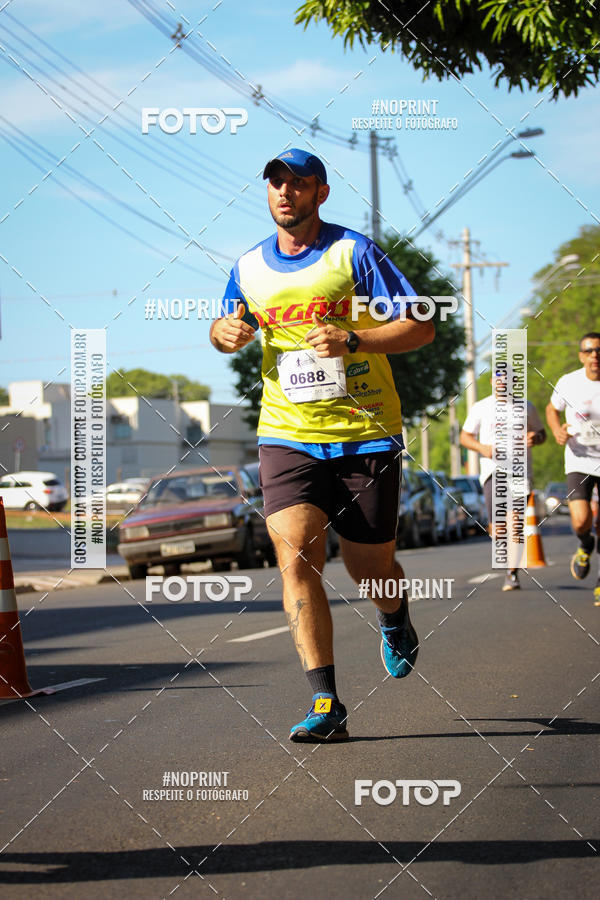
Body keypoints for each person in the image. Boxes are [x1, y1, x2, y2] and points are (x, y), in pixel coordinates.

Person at [210, 148, 434, 742]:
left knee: (370, 567)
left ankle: (394, 615)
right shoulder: (249, 267)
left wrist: (355, 338)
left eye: (298, 183)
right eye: (275, 183)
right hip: (288, 433)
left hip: (364, 432)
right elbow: (226, 324)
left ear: (321, 193)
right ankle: (326, 702)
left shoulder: (354, 253)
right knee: (296, 556)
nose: (285, 192)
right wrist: (222, 332)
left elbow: (422, 323)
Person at [460, 375, 546, 591]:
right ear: (492, 381)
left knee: (515, 525)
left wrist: (535, 437)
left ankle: (512, 573)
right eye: (499, 378)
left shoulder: (526, 407)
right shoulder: (481, 407)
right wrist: (483, 449)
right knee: (499, 529)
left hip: (520, 472)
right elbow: (465, 437)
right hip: (493, 471)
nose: (502, 382)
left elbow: (542, 433)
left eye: (508, 379)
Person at [546, 332, 600, 603]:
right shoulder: (569, 382)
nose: (595, 355)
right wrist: (557, 431)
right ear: (581, 356)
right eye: (589, 351)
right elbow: (551, 409)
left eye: (598, 350)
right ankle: (585, 544)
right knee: (581, 520)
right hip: (579, 459)